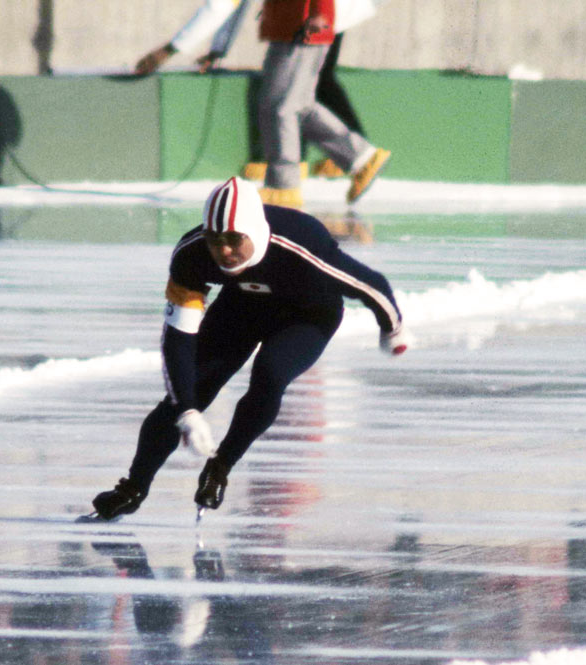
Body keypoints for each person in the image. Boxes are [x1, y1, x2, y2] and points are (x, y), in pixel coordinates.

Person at [91, 177, 411, 521]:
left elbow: (370, 285)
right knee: (188, 392)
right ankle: (133, 488)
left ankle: (220, 466)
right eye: (215, 239)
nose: (223, 250)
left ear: (254, 233)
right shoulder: (193, 255)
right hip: (242, 307)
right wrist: (186, 410)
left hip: (307, 316)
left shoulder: (299, 242)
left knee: (270, 375)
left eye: (233, 239)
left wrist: (392, 329)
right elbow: (178, 339)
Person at [133, 0, 390, 208]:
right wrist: (219, 48)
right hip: (291, 26)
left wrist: (169, 50)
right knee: (295, 104)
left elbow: (221, 5)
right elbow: (233, 5)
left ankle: (283, 185)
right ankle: (360, 156)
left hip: (304, 26)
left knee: (282, 107)